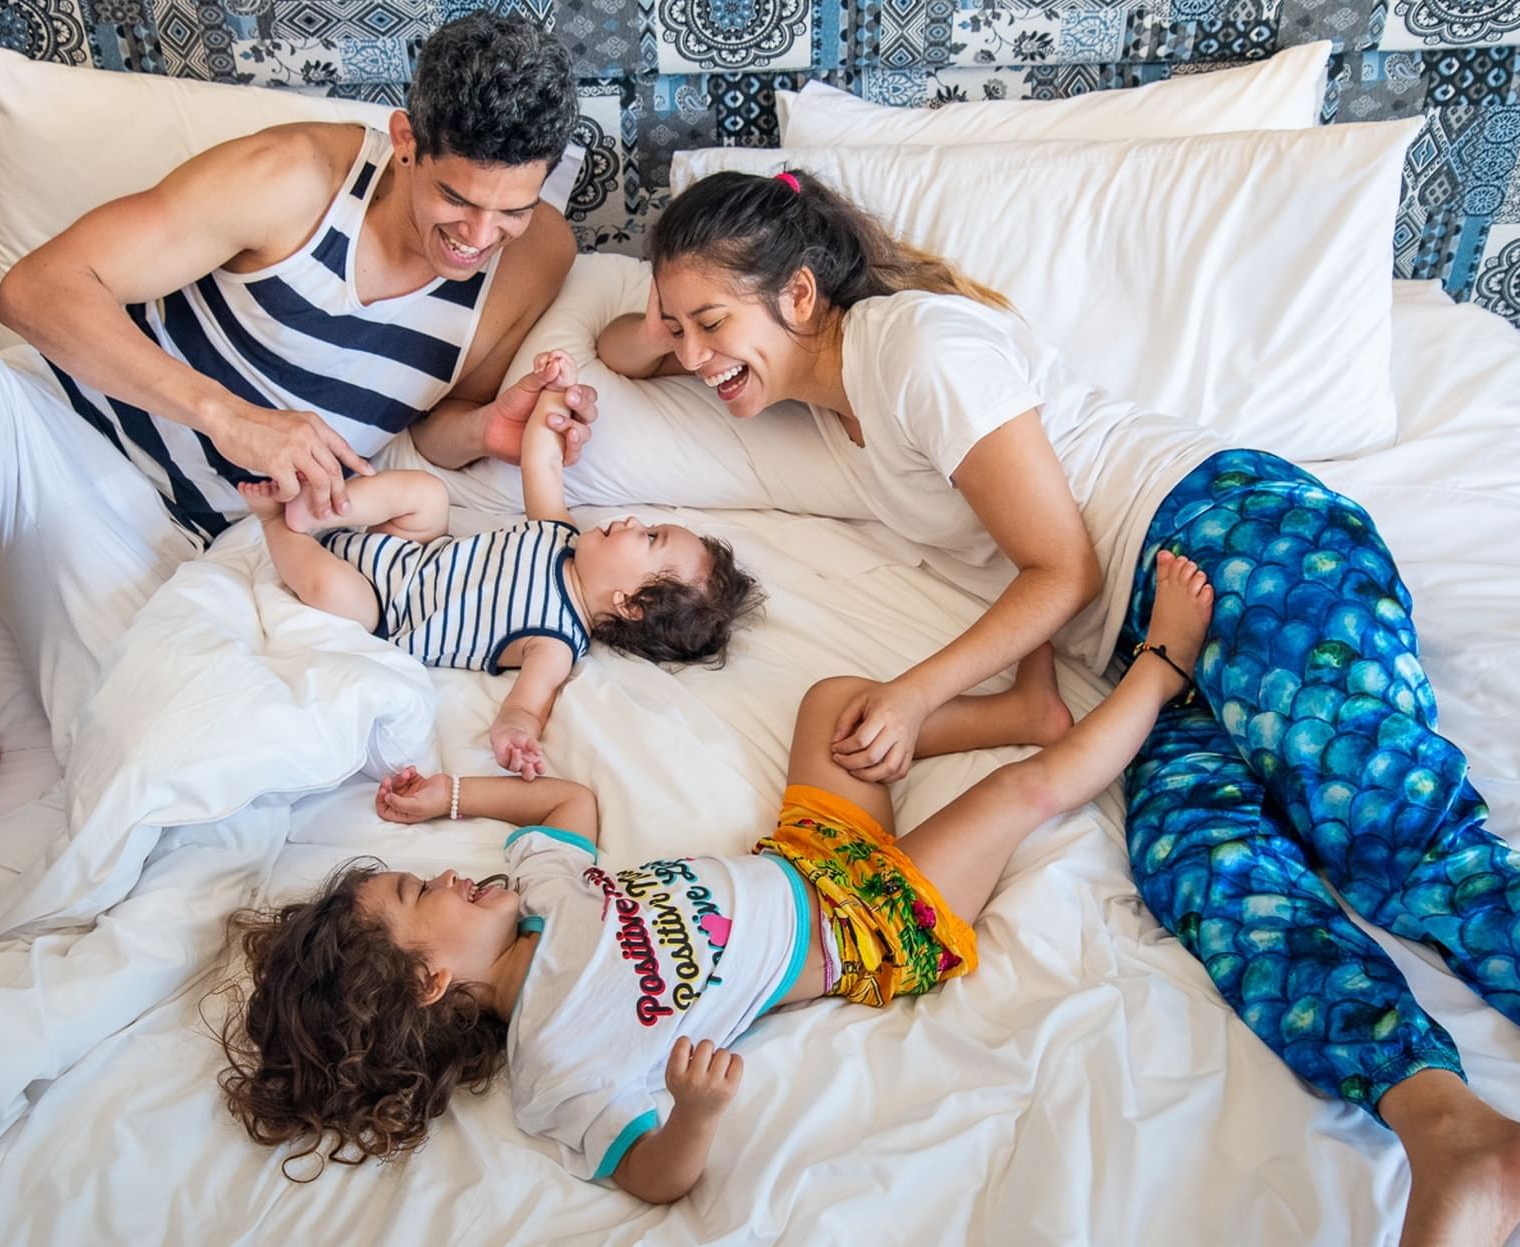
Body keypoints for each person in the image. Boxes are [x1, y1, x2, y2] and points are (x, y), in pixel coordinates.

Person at [595, 168, 1520, 1244]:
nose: (696, 355)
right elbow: (620, 346)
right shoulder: (831, 400)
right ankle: (1448, 1127)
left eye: (713, 323)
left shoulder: (917, 352)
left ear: (798, 294)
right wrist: (679, 326)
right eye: (684, 329)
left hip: (1235, 534)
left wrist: (915, 690)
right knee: (1198, 863)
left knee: (1375, 823)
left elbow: (1061, 568)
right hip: (1151, 635)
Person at [0, 12, 597, 893]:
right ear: (405, 142)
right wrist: (228, 414)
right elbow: (36, 290)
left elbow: (435, 422)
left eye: (509, 208)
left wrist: (489, 429)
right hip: (62, 442)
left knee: (166, 822)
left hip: (201, 554)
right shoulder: (293, 176)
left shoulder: (537, 251)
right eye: (457, 201)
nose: (477, 236)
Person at [219, 552, 1212, 1199]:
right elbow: (651, 1175)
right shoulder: (556, 1063)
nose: (441, 876)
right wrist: (693, 1113)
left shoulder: (537, 894)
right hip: (863, 926)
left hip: (806, 857)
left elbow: (571, 806)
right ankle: (1161, 667)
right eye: (415, 894)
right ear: (430, 978)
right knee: (1019, 797)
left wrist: (452, 796)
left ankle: (1014, 711)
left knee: (831, 705)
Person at [238, 351, 759, 778]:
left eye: (648, 537)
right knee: (426, 492)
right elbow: (542, 458)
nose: (627, 520)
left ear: (630, 606)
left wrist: (517, 736)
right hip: (407, 547)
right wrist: (556, 389)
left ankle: (278, 526)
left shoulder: (555, 640)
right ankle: (323, 508)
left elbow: (525, 705)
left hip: (384, 610)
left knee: (338, 598)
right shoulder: (559, 533)